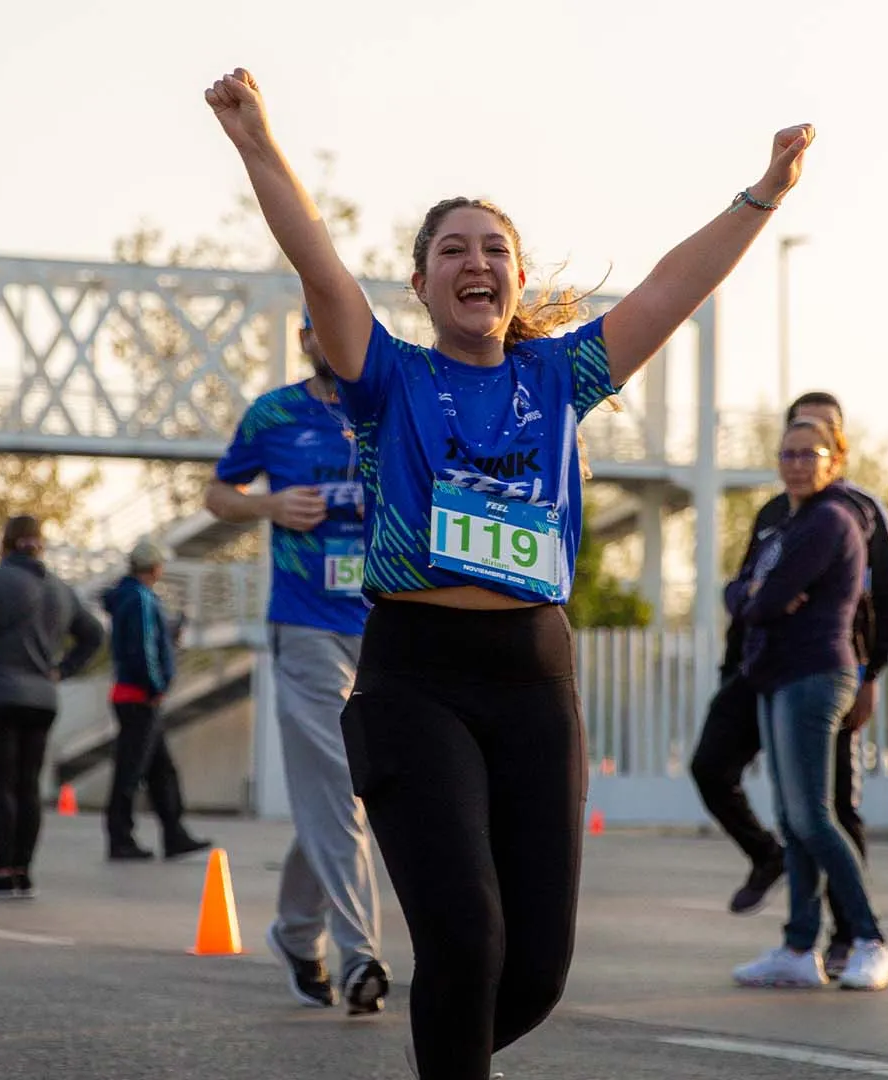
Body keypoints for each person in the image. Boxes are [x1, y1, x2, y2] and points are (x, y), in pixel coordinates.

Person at [205, 65, 812, 1077]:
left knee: (533, 972)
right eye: (453, 250)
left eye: (495, 249)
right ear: (423, 283)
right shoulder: (388, 376)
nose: (475, 262)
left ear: (518, 280)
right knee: (466, 944)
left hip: (535, 680)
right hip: (415, 679)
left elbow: (672, 287)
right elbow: (316, 266)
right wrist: (257, 140)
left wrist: (765, 195)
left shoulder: (557, 376)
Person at [206, 306, 391, 1015]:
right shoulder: (273, 414)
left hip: (383, 623)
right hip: (306, 622)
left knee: (347, 793)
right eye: (317, 328)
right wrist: (271, 506)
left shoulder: (390, 403)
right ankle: (360, 956)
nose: (329, 339)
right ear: (307, 339)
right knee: (340, 786)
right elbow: (217, 493)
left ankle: (293, 929)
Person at [728, 417, 888, 991]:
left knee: (813, 816)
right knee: (791, 818)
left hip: (815, 675)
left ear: (833, 461)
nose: (797, 463)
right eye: (788, 454)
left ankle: (872, 939)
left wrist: (762, 597)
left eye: (810, 453)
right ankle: (800, 947)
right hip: (777, 675)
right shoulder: (784, 525)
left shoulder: (832, 519)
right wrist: (759, 597)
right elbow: (742, 593)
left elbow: (763, 598)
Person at [0, 515, 105, 898]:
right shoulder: (60, 589)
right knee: (28, 786)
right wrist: (62, 669)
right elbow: (95, 634)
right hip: (41, 699)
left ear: (5, 544)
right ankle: (23, 871)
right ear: (41, 544)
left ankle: (2, 870)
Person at [102, 538, 212, 862]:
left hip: (132, 695)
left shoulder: (127, 597)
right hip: (140, 697)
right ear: (155, 567)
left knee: (160, 769)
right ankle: (121, 838)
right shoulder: (140, 598)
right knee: (132, 770)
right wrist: (155, 687)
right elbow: (144, 648)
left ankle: (174, 833)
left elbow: (146, 640)